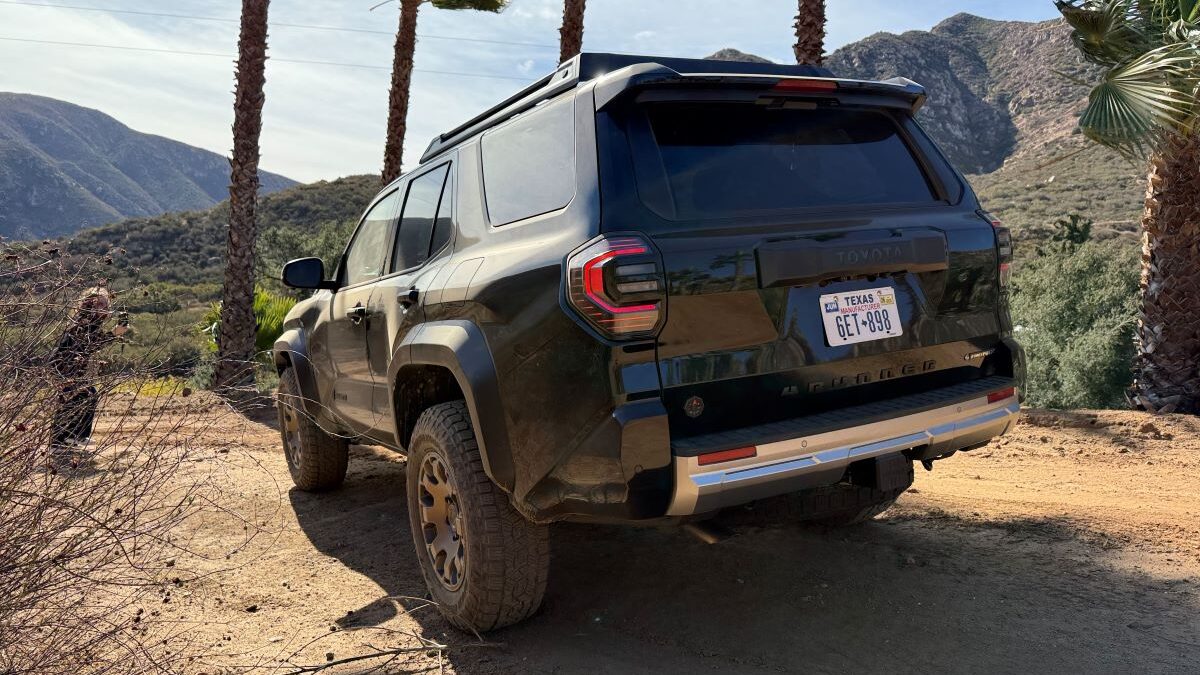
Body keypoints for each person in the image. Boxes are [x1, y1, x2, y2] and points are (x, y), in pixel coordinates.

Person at [47, 287, 128, 456]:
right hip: (65, 366)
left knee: (83, 395)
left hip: (68, 365)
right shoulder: (85, 321)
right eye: (98, 304)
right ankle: (65, 439)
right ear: (88, 304)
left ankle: (68, 438)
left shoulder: (89, 321)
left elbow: (90, 344)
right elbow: (90, 344)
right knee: (80, 396)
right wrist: (114, 333)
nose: (102, 308)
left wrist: (115, 332)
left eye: (105, 305)